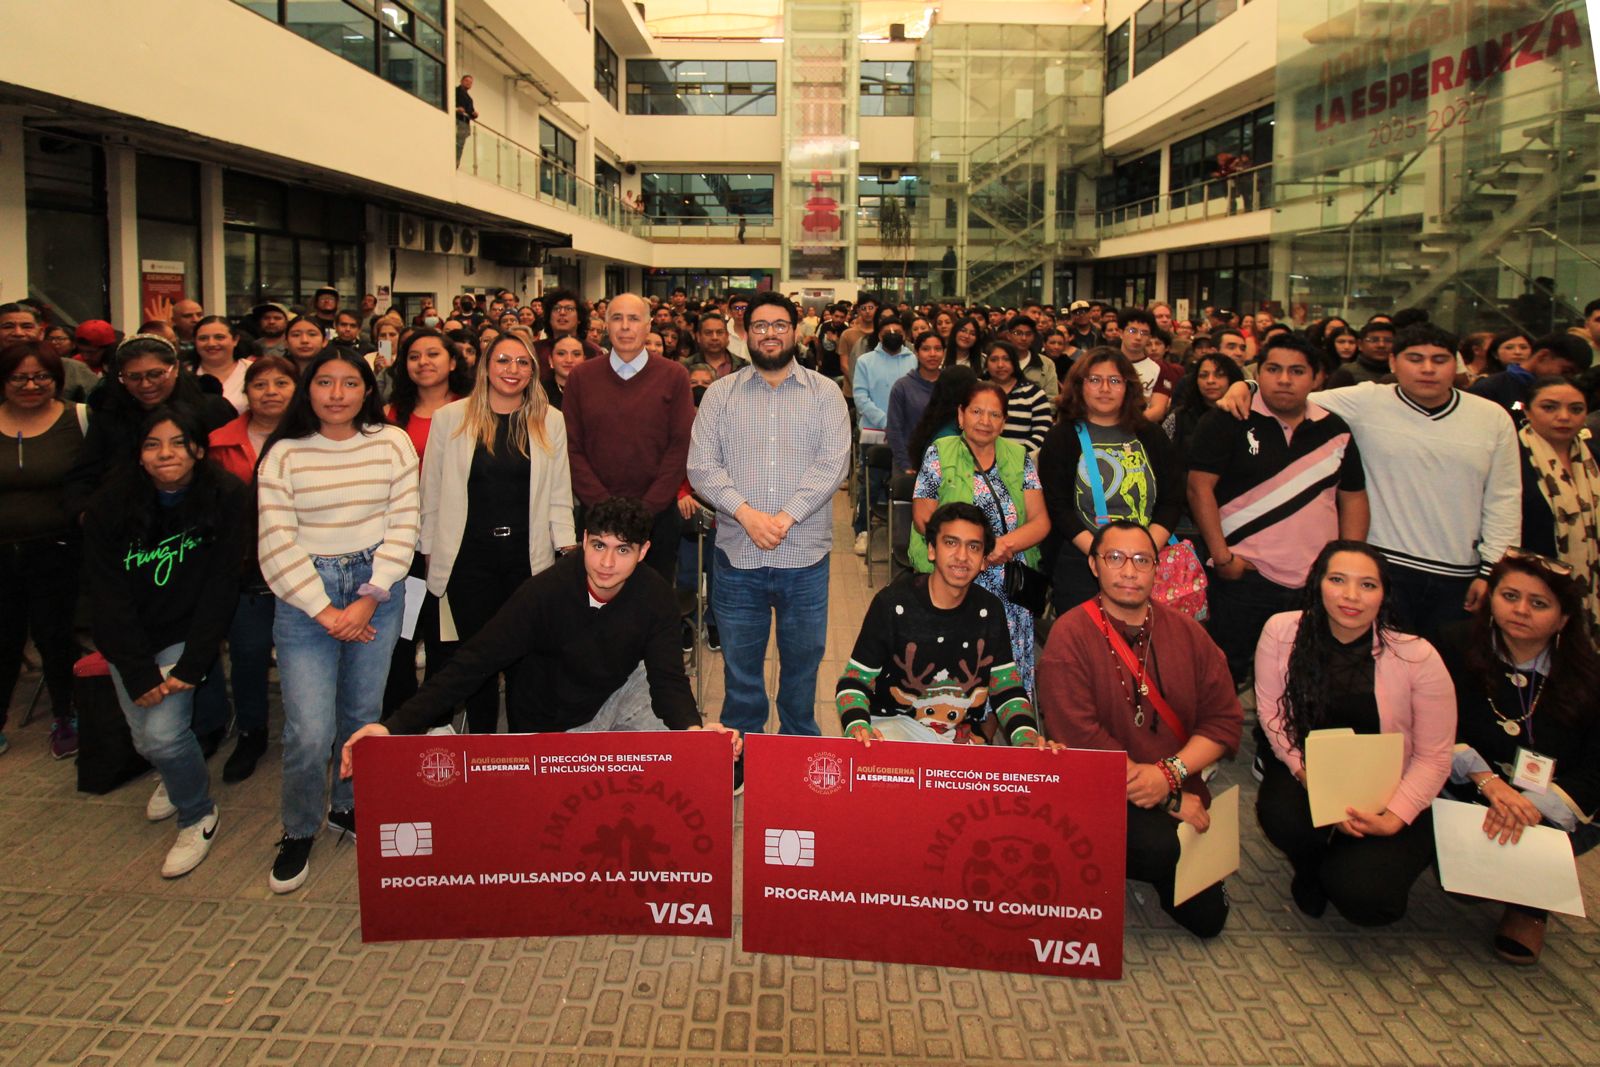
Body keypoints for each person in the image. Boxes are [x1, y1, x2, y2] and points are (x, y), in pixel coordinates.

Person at [340, 498, 741, 782]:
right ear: (583, 541)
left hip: (611, 696)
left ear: (643, 552)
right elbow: (474, 662)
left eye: (622, 550)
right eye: (598, 545)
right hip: (551, 727)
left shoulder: (655, 595)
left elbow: (668, 679)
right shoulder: (544, 593)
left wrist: (693, 732)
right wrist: (393, 728)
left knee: (673, 726)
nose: (606, 562)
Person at [1217, 323, 1521, 642]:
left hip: (1459, 572)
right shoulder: (1365, 401)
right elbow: (1290, 391)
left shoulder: (1492, 418)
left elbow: (1504, 500)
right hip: (1379, 567)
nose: (1428, 369)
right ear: (1393, 362)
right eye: (1415, 358)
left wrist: (1492, 571)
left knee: (1447, 672)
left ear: (1456, 363)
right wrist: (1247, 386)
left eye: (1440, 359)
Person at [256, 349, 419, 893]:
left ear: (367, 391)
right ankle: (299, 826)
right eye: (324, 382)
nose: (336, 394)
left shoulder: (391, 442)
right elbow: (275, 541)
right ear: (308, 390)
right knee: (309, 729)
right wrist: (324, 609)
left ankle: (348, 807)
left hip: (378, 586)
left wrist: (370, 597)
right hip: (307, 596)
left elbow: (405, 523)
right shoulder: (284, 452)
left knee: (362, 713)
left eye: (350, 383)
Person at [1039, 521, 1242, 938]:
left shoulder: (1187, 633)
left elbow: (1223, 720)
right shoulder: (1069, 635)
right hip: (1101, 789)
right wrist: (1166, 800)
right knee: (1157, 850)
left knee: (1208, 920)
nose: (1128, 571)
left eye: (1141, 560)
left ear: (1156, 568)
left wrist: (1168, 776)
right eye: (1114, 558)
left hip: (1175, 780)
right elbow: (1083, 741)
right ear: (1095, 566)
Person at [687, 292, 852, 778]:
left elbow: (832, 463)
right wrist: (747, 514)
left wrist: (784, 518)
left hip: (805, 558)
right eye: (760, 326)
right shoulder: (720, 394)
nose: (770, 334)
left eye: (780, 325)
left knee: (803, 666)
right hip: (738, 557)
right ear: (745, 333)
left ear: (796, 331)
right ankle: (742, 751)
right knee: (741, 670)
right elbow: (701, 467)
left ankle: (799, 747)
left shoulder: (825, 393)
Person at [83, 406, 249, 877]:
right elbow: (106, 594)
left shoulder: (225, 496)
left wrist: (192, 664)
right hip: (128, 637)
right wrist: (136, 669)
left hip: (185, 634)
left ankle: (197, 813)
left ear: (198, 448)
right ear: (138, 455)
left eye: (178, 443)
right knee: (145, 736)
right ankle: (174, 774)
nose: (166, 454)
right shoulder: (109, 505)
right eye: (153, 445)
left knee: (164, 734)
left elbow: (221, 586)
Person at [1254, 541, 1455, 926]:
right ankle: (1311, 866)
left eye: (1367, 585)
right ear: (1318, 583)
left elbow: (1434, 756)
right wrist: (1305, 775)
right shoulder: (1282, 632)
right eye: (1337, 580)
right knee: (1282, 817)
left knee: (1367, 902)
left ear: (1384, 594)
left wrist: (1395, 816)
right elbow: (1272, 713)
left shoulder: (1417, 656)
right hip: (1311, 770)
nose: (1351, 596)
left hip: (1390, 785)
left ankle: (1354, 857)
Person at [1437, 552, 1600, 963]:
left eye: (1539, 603)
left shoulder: (1591, 675)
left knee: (1523, 840)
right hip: (1467, 787)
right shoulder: (1451, 645)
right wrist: (1487, 783)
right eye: (1509, 596)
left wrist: (1527, 806)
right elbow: (1433, 725)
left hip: (1547, 803)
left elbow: (1597, 766)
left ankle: (1530, 906)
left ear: (1563, 619)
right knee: (1464, 886)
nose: (1521, 610)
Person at [1187, 336, 1370, 686]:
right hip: (1245, 578)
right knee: (1225, 678)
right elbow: (1199, 488)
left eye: (1296, 371)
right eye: (1273, 369)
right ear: (1259, 373)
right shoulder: (1228, 419)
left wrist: (1347, 565)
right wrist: (1222, 557)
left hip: (1314, 583)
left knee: (1303, 680)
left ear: (1317, 378)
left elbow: (1353, 498)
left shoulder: (1335, 429)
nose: (1284, 379)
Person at [418, 334, 575, 733]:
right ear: (486, 365)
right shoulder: (450, 418)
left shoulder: (549, 419)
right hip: (468, 559)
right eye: (504, 360)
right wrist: (429, 551)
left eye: (523, 363)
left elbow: (560, 492)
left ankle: (523, 744)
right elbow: (431, 490)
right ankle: (482, 743)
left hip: (527, 559)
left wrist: (567, 548)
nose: (513, 370)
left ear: (533, 371)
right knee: (477, 658)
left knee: (526, 657)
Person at [838, 502, 1045, 746]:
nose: (961, 556)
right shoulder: (892, 604)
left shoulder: (989, 610)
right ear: (931, 550)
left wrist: (1028, 740)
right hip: (893, 729)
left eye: (974, 547)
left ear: (983, 560)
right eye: (950, 543)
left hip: (957, 736)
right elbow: (853, 683)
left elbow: (1007, 689)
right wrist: (859, 727)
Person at [911, 379, 1051, 696]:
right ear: (961, 415)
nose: (985, 421)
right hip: (954, 576)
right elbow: (922, 516)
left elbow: (1040, 521)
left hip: (1008, 582)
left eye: (994, 415)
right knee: (952, 667)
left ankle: (988, 737)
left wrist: (1003, 545)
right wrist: (966, 549)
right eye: (976, 411)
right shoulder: (939, 452)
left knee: (1002, 672)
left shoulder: (1020, 457)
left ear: (1004, 422)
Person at [205, 355, 296, 781]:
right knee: (247, 652)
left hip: (305, 561)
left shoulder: (316, 436)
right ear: (247, 392)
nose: (271, 392)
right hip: (245, 565)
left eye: (282, 383)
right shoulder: (219, 442)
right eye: (261, 385)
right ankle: (252, 730)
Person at [1036, 348, 1182, 614]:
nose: (1105, 388)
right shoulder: (1061, 438)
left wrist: (1142, 554)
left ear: (1128, 387)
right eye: (1094, 380)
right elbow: (1058, 508)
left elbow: (1172, 499)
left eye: (1114, 381)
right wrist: (1105, 557)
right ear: (1080, 386)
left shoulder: (1150, 435)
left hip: (1148, 558)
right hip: (1082, 561)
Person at [564, 293, 695, 581]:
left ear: (648, 327)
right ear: (606, 326)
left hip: (657, 519)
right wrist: (605, 508)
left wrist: (646, 510)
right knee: (594, 608)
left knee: (650, 607)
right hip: (595, 516)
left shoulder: (674, 376)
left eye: (634, 319)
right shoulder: (581, 378)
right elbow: (572, 448)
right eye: (617, 318)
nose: (625, 326)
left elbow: (680, 446)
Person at [0, 343, 89, 758]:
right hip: (3, 552)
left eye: (42, 377)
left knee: (56, 636)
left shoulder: (80, 419)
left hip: (59, 549)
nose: (31, 385)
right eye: (19, 377)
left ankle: (64, 714)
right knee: (4, 637)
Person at [64, 334, 236, 521]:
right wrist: (87, 516)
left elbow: (231, 466)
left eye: (155, 374)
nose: (146, 384)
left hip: (203, 517)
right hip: (127, 521)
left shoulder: (212, 409)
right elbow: (83, 477)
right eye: (134, 377)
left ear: (176, 368)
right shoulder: (109, 416)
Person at [1515, 376, 1599, 630]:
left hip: (1589, 584)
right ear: (1527, 410)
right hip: (1528, 583)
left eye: (1575, 409)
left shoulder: (1593, 455)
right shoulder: (1512, 454)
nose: (1564, 417)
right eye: (1549, 407)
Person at [851, 310, 916, 555]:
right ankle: (863, 530)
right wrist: (888, 422)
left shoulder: (913, 360)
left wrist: (901, 426)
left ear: (904, 335)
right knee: (871, 484)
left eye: (897, 332)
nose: (892, 335)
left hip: (908, 436)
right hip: (875, 432)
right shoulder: (866, 361)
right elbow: (861, 396)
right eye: (887, 332)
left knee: (906, 484)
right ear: (878, 335)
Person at [1470, 333, 1593, 419]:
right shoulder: (1489, 389)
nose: (1568, 379)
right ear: (1543, 356)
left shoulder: (1569, 392)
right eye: (1566, 371)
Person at [982, 339, 1052, 455]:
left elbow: (1043, 432)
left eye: (1006, 359)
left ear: (1015, 362)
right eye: (994, 360)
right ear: (986, 364)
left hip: (1022, 461)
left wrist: (1014, 455)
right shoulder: (977, 391)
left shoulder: (1034, 393)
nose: (1000, 365)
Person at [887, 330, 945, 473]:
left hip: (946, 463)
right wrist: (905, 464)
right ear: (917, 353)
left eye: (938, 349)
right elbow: (894, 430)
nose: (932, 354)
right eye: (926, 349)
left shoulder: (951, 384)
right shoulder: (902, 387)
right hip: (911, 464)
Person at [1166, 352, 1245, 452]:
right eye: (1203, 376)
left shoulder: (1243, 415)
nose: (1210, 381)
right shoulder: (1179, 416)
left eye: (1219, 375)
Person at [1119, 308, 1181, 423]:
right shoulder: (1106, 363)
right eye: (1133, 331)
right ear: (1121, 333)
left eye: (1144, 333)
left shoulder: (1159, 368)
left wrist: (1125, 427)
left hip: (1141, 429)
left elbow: (1158, 410)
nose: (1138, 337)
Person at [192, 315, 252, 413]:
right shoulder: (184, 374)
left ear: (235, 340)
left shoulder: (253, 370)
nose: (211, 343)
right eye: (203, 338)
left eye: (219, 337)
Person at [534, 290, 603, 372]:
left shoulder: (593, 351)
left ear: (579, 318)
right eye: (556, 309)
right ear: (549, 317)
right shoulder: (535, 350)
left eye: (569, 309)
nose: (562, 313)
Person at [1325, 320, 1396, 388]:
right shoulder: (1346, 373)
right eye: (1374, 340)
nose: (1381, 345)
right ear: (1360, 344)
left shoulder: (1400, 371)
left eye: (1388, 340)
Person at [693, 312, 748, 379]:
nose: (714, 337)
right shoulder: (686, 366)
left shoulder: (744, 366)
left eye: (719, 332)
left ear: (727, 336)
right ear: (698, 336)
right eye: (708, 333)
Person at [541, 334, 585, 410]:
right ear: (550, 360)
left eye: (576, 354)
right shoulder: (538, 393)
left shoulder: (595, 391)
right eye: (561, 353)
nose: (569, 360)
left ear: (584, 360)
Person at [455, 73, 478, 164]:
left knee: (460, 145)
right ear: (461, 81)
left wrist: (474, 114)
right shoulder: (455, 91)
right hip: (455, 121)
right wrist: (456, 109)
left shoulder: (469, 99)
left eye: (470, 82)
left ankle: (457, 162)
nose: (468, 83)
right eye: (467, 81)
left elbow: (470, 112)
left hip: (463, 124)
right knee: (454, 142)